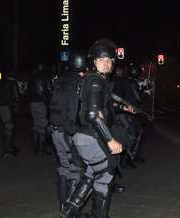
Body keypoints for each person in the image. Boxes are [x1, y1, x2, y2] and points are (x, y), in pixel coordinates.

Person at [61, 39, 123, 218]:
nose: (107, 63)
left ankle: (69, 211)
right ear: (94, 61)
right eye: (102, 59)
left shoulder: (88, 79)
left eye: (110, 59)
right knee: (106, 174)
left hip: (82, 136)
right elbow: (92, 115)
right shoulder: (96, 81)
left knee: (91, 173)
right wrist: (110, 140)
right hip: (92, 136)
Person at [50, 51, 87, 214]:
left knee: (64, 168)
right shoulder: (79, 82)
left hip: (55, 130)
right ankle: (71, 211)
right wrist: (75, 132)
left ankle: (63, 206)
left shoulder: (59, 80)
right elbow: (74, 108)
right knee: (76, 169)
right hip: (69, 131)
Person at [27, 64, 52, 155]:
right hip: (41, 103)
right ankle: (41, 149)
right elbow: (48, 91)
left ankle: (35, 147)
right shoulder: (45, 77)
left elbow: (28, 92)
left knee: (36, 125)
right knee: (42, 127)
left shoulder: (31, 78)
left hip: (32, 103)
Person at [0, 72, 20, 159]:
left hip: (1, 107)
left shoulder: (1, 82)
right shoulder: (12, 83)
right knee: (9, 129)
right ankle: (6, 151)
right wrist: (16, 105)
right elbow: (16, 95)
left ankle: (9, 148)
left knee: (7, 127)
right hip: (8, 107)